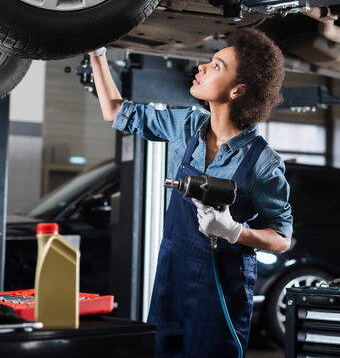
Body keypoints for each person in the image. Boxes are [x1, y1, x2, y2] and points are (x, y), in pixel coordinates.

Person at [89, 28, 293, 357]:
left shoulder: (262, 163)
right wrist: (97, 53)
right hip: (173, 271)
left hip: (221, 286)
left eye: (215, 66)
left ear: (238, 89)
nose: (201, 68)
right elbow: (115, 111)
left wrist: (234, 231)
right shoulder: (186, 126)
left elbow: (282, 238)